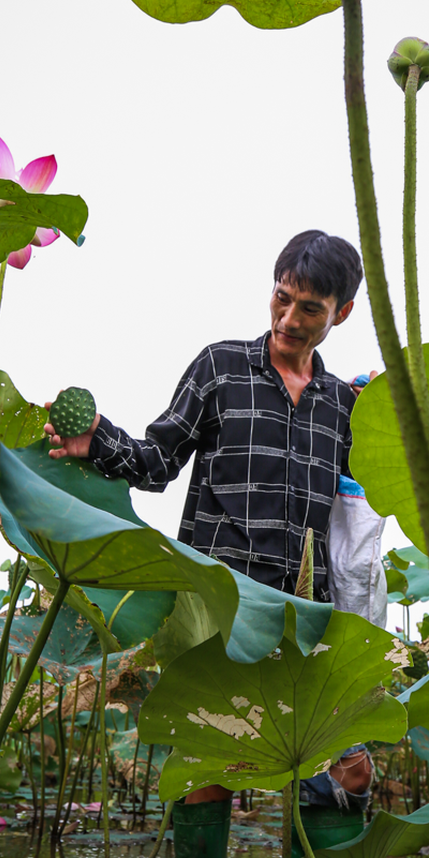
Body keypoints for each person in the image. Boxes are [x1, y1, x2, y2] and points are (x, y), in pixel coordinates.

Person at [44, 229, 374, 805]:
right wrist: (98, 441)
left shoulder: (343, 406)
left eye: (310, 308)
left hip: (303, 618)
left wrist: (388, 422)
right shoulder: (220, 369)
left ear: (340, 313)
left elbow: (365, 504)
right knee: (208, 774)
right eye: (281, 297)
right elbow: (156, 464)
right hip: (220, 609)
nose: (289, 318)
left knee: (340, 775)